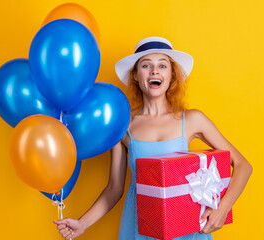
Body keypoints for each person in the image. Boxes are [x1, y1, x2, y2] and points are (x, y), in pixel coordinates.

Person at [53, 37, 252, 240]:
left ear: (171, 76)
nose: (154, 71)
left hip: (187, 228)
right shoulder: (123, 126)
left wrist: (222, 210)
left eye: (162, 65)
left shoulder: (192, 119)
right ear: (136, 77)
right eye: (146, 65)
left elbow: (243, 166)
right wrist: (83, 223)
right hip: (140, 228)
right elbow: (114, 188)